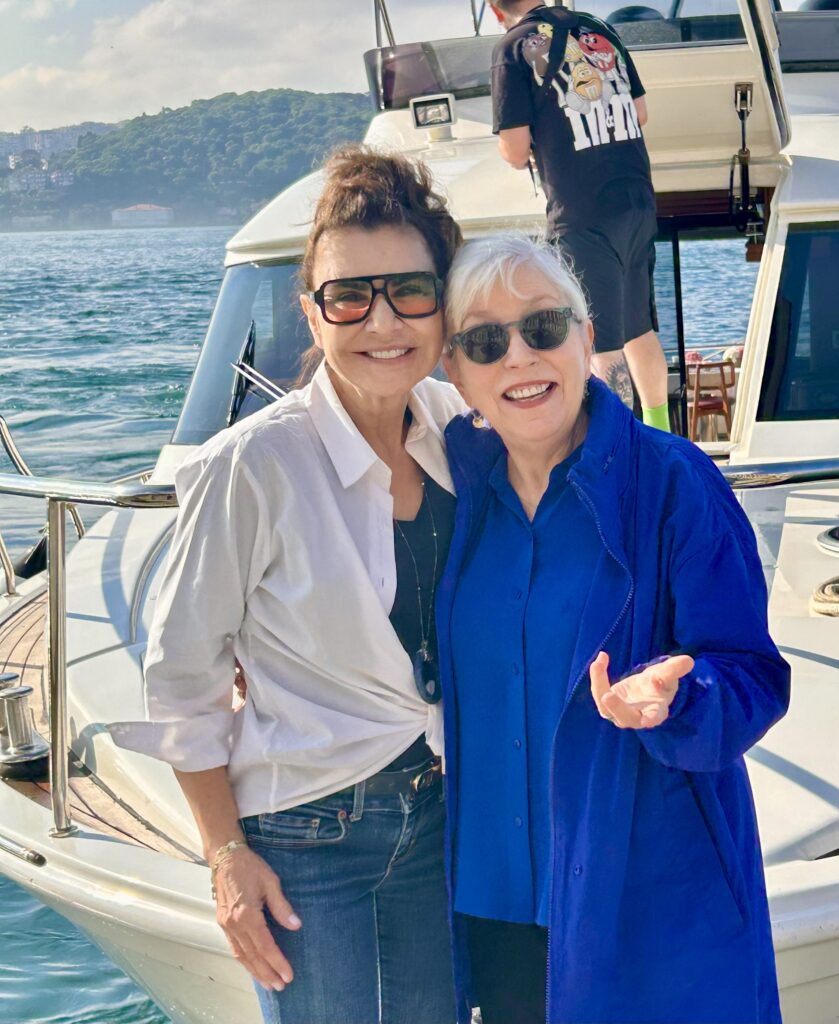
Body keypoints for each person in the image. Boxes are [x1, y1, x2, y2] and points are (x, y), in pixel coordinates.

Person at [111, 145, 464, 1024]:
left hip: (444, 820)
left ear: (443, 302)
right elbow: (181, 674)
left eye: (409, 290)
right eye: (349, 296)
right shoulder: (252, 465)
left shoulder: (459, 430)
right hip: (309, 838)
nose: (382, 320)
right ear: (313, 314)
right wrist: (225, 854)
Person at [435, 232, 790, 1024]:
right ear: (454, 372)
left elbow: (753, 674)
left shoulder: (673, 481)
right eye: (486, 342)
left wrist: (680, 696)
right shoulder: (449, 493)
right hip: (492, 907)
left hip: (648, 911)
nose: (519, 358)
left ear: (585, 339)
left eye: (543, 328)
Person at [489, 0, 672, 430]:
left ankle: (614, 450)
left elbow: (515, 151)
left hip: (582, 211)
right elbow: (640, 113)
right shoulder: (598, 29)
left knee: (598, 341)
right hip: (637, 200)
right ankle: (661, 434)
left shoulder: (513, 48)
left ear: (497, 12)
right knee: (639, 330)